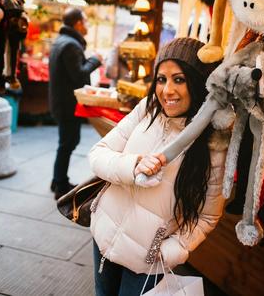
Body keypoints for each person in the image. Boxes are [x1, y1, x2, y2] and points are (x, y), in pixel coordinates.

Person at [88, 38, 228, 296]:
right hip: (104, 234)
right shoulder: (147, 108)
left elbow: (207, 215)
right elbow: (97, 155)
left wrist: (171, 250)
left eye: (179, 79)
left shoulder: (212, 142)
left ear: (197, 83)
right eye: (161, 79)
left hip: (147, 261)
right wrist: (133, 166)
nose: (167, 91)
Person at [49, 8, 102, 199]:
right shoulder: (71, 45)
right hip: (67, 104)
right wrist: (96, 60)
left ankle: (57, 180)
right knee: (67, 143)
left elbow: (73, 71)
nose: (87, 26)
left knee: (67, 142)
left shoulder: (63, 41)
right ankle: (60, 185)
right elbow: (79, 75)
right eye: (86, 22)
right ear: (78, 23)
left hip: (61, 102)